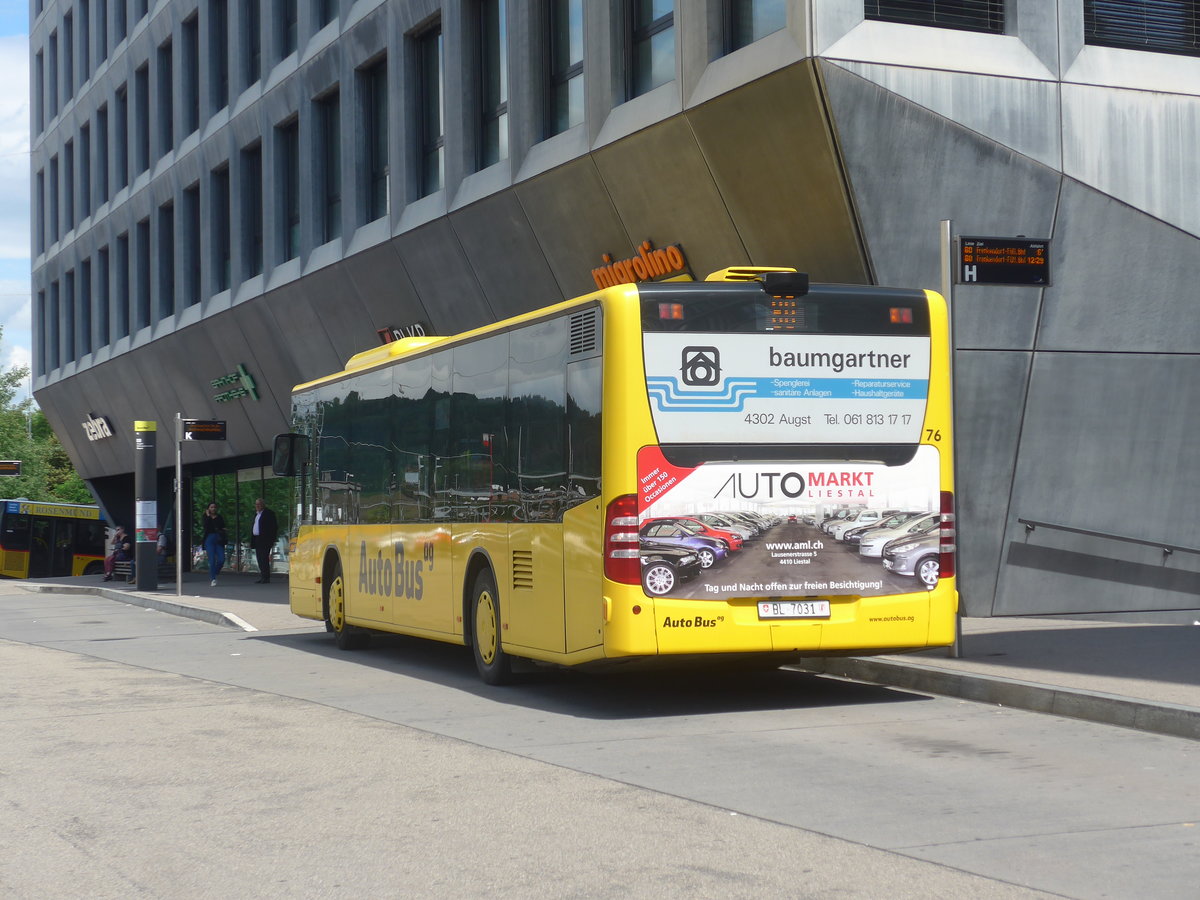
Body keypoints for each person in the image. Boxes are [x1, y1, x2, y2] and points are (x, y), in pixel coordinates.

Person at [249, 498, 279, 583]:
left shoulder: (269, 514)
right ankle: (263, 576)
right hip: (257, 538)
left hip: (265, 539)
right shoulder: (256, 515)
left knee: (264, 558)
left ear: (263, 505)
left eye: (259, 504)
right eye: (256, 504)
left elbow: (274, 527)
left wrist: (271, 539)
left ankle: (266, 577)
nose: (257, 506)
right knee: (259, 558)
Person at [201, 502, 227, 586]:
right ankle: (213, 579)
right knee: (212, 560)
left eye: (215, 507)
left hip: (218, 539)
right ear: (208, 508)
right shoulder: (205, 517)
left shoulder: (219, 517)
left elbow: (222, 526)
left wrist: (223, 530)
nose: (213, 509)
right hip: (209, 539)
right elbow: (205, 526)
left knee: (221, 559)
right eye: (211, 507)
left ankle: (215, 571)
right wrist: (208, 516)